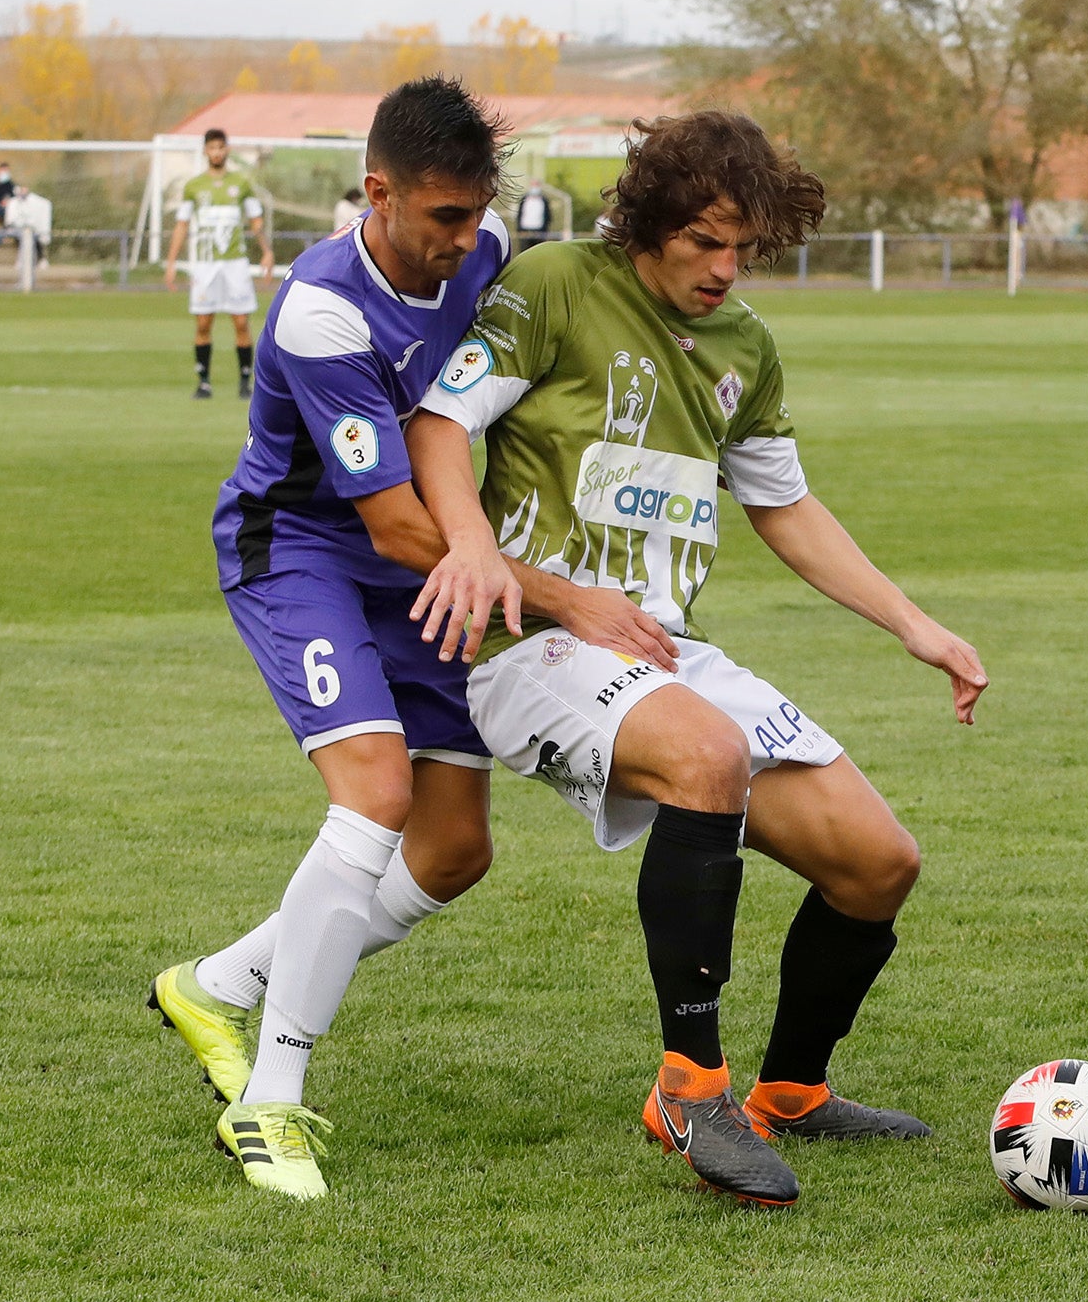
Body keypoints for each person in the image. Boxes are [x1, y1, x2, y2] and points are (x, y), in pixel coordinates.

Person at [410, 110, 989, 1208]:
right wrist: (482, 553)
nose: (726, 269)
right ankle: (689, 1087)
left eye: (746, 248)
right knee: (708, 757)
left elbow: (786, 506)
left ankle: (791, 1091)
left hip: (664, 649)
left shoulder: (744, 345)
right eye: (706, 242)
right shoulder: (555, 284)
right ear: (652, 221)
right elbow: (439, 426)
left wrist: (916, 625)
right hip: (532, 642)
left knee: (878, 863)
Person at [148, 77, 673, 1200]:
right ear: (376, 192)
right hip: (306, 551)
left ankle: (215, 984)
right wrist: (567, 598)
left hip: (427, 564)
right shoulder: (321, 309)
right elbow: (391, 522)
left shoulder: (484, 260)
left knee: (452, 849)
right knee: (377, 792)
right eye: (443, 215)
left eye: (478, 214)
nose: (465, 238)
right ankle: (269, 1100)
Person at [164, 128, 275, 399]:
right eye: (212, 148)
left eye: (221, 147)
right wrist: (171, 262)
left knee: (241, 322)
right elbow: (182, 224)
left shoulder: (242, 182)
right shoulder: (194, 186)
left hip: (235, 263)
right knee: (203, 323)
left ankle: (245, 383)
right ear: (206, 151)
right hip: (205, 265)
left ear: (227, 149)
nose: (217, 153)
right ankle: (203, 383)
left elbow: (255, 220)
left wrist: (266, 251)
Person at [5, 183, 53, 269]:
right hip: (19, 230)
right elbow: (12, 219)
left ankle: (39, 260)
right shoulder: (14, 202)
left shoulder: (35, 201)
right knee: (23, 239)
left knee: (36, 239)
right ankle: (22, 261)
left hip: (32, 230)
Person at [515, 179, 552, 251]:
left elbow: (548, 216)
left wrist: (545, 229)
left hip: (539, 231)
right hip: (525, 231)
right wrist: (519, 229)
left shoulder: (544, 200)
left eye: (536, 185)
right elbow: (519, 214)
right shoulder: (524, 199)